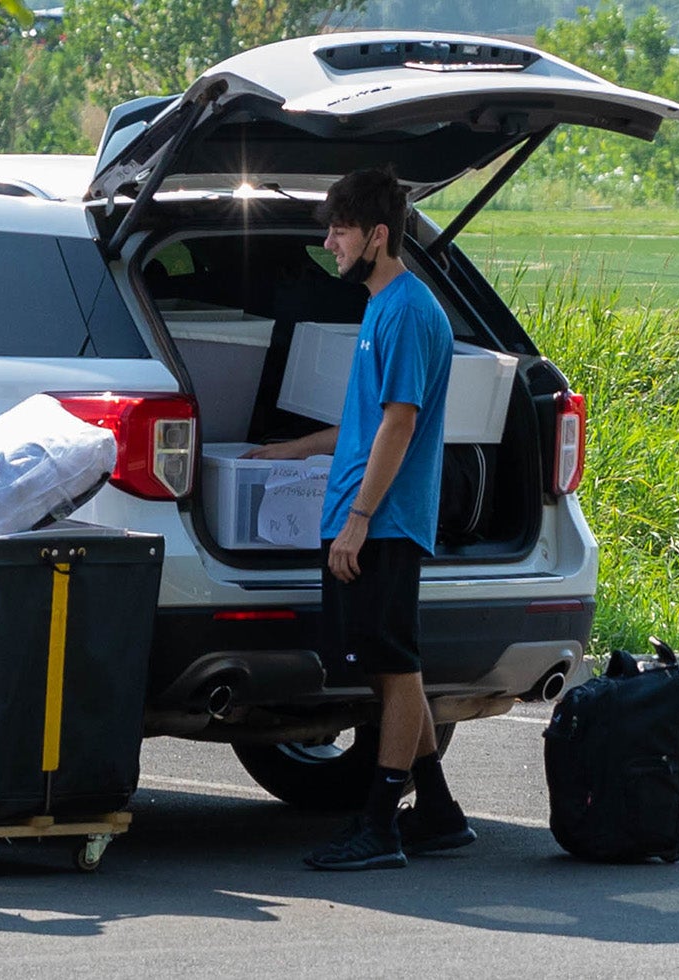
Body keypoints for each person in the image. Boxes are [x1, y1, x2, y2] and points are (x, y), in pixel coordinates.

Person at [245, 168, 462, 871]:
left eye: (339, 229)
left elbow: (400, 423)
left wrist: (360, 518)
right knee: (391, 667)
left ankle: (380, 825)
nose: (329, 242)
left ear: (377, 234)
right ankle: (437, 812)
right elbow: (365, 421)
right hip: (366, 515)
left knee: (393, 670)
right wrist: (293, 448)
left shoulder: (406, 311)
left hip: (385, 522)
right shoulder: (380, 308)